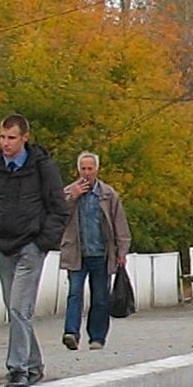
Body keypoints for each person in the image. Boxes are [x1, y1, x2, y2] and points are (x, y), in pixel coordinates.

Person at [0, 113, 68, 387]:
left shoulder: (43, 167)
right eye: (2, 137)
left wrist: (42, 242)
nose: (5, 143)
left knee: (19, 307)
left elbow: (59, 209)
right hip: (3, 245)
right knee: (15, 308)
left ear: (24, 138)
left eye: (11, 138)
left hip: (30, 245)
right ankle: (34, 364)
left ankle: (17, 368)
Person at [58, 149, 133, 354]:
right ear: (78, 169)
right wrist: (71, 198)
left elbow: (120, 225)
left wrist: (122, 251)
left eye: (90, 168)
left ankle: (97, 336)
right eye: (83, 168)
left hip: (102, 254)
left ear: (97, 170)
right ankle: (71, 333)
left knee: (100, 297)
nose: (86, 173)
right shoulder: (68, 193)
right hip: (77, 253)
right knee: (74, 294)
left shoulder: (108, 195)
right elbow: (57, 219)